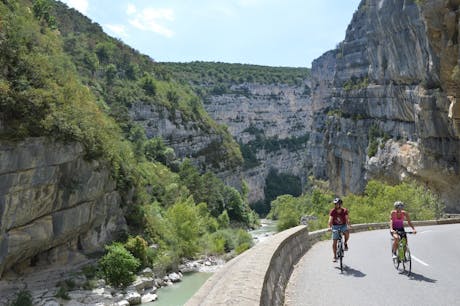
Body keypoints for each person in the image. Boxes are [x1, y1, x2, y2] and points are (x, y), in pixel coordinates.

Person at [328, 197, 351, 262]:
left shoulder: (344, 210)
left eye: (337, 204)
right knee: (334, 242)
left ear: (340, 204)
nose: (335, 205)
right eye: (335, 204)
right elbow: (330, 220)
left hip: (343, 225)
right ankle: (335, 256)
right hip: (335, 226)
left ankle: (345, 243)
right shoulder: (333, 211)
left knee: (347, 232)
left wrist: (349, 225)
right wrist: (329, 227)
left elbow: (347, 219)